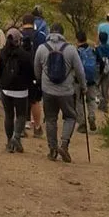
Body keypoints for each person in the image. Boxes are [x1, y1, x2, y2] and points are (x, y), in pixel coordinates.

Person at [34, 23, 86, 163]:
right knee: (70, 117)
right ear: (63, 33)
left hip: (48, 90)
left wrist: (41, 82)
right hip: (66, 91)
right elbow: (80, 71)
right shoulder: (70, 49)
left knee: (51, 119)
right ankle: (64, 144)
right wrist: (83, 86)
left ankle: (52, 149)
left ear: (50, 32)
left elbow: (37, 70)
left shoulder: (42, 48)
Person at [0, 26, 33, 153]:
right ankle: (16, 137)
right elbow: (30, 73)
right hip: (21, 90)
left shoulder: (2, 53)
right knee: (21, 115)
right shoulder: (25, 55)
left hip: (6, 89)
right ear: (19, 40)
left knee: (9, 115)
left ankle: (8, 141)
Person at [20, 12, 46, 139]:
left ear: (23, 23)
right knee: (35, 100)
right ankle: (37, 127)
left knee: (20, 98)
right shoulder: (40, 36)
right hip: (35, 72)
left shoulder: (18, 34)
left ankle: (21, 126)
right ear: (34, 23)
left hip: (19, 71)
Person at [75, 31, 99, 132]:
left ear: (77, 40)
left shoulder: (76, 52)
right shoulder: (93, 50)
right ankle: (92, 116)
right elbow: (100, 63)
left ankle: (82, 124)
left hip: (79, 80)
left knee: (79, 102)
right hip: (91, 80)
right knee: (91, 100)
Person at [95, 31, 109, 113]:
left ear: (99, 39)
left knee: (95, 86)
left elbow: (94, 60)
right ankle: (105, 105)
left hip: (98, 70)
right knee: (105, 87)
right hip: (108, 70)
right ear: (107, 39)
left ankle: (100, 99)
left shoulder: (97, 49)